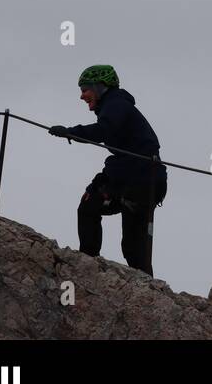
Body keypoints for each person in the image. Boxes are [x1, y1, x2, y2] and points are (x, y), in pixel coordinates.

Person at [48, 65, 168, 276]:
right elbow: (122, 155)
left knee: (127, 239)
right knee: (127, 239)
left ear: (100, 87)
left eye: (86, 89)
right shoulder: (115, 106)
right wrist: (100, 181)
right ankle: (97, 265)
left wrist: (70, 132)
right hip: (141, 178)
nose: (81, 95)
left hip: (140, 181)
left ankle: (88, 262)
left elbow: (104, 131)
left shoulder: (116, 105)